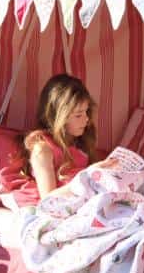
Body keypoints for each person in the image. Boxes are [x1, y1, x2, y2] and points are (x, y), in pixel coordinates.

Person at [13, 74, 106, 205]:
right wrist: (89, 175)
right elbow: (48, 198)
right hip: (62, 206)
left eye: (86, 112)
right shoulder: (42, 149)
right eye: (78, 115)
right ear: (57, 117)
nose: (86, 119)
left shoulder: (79, 142)